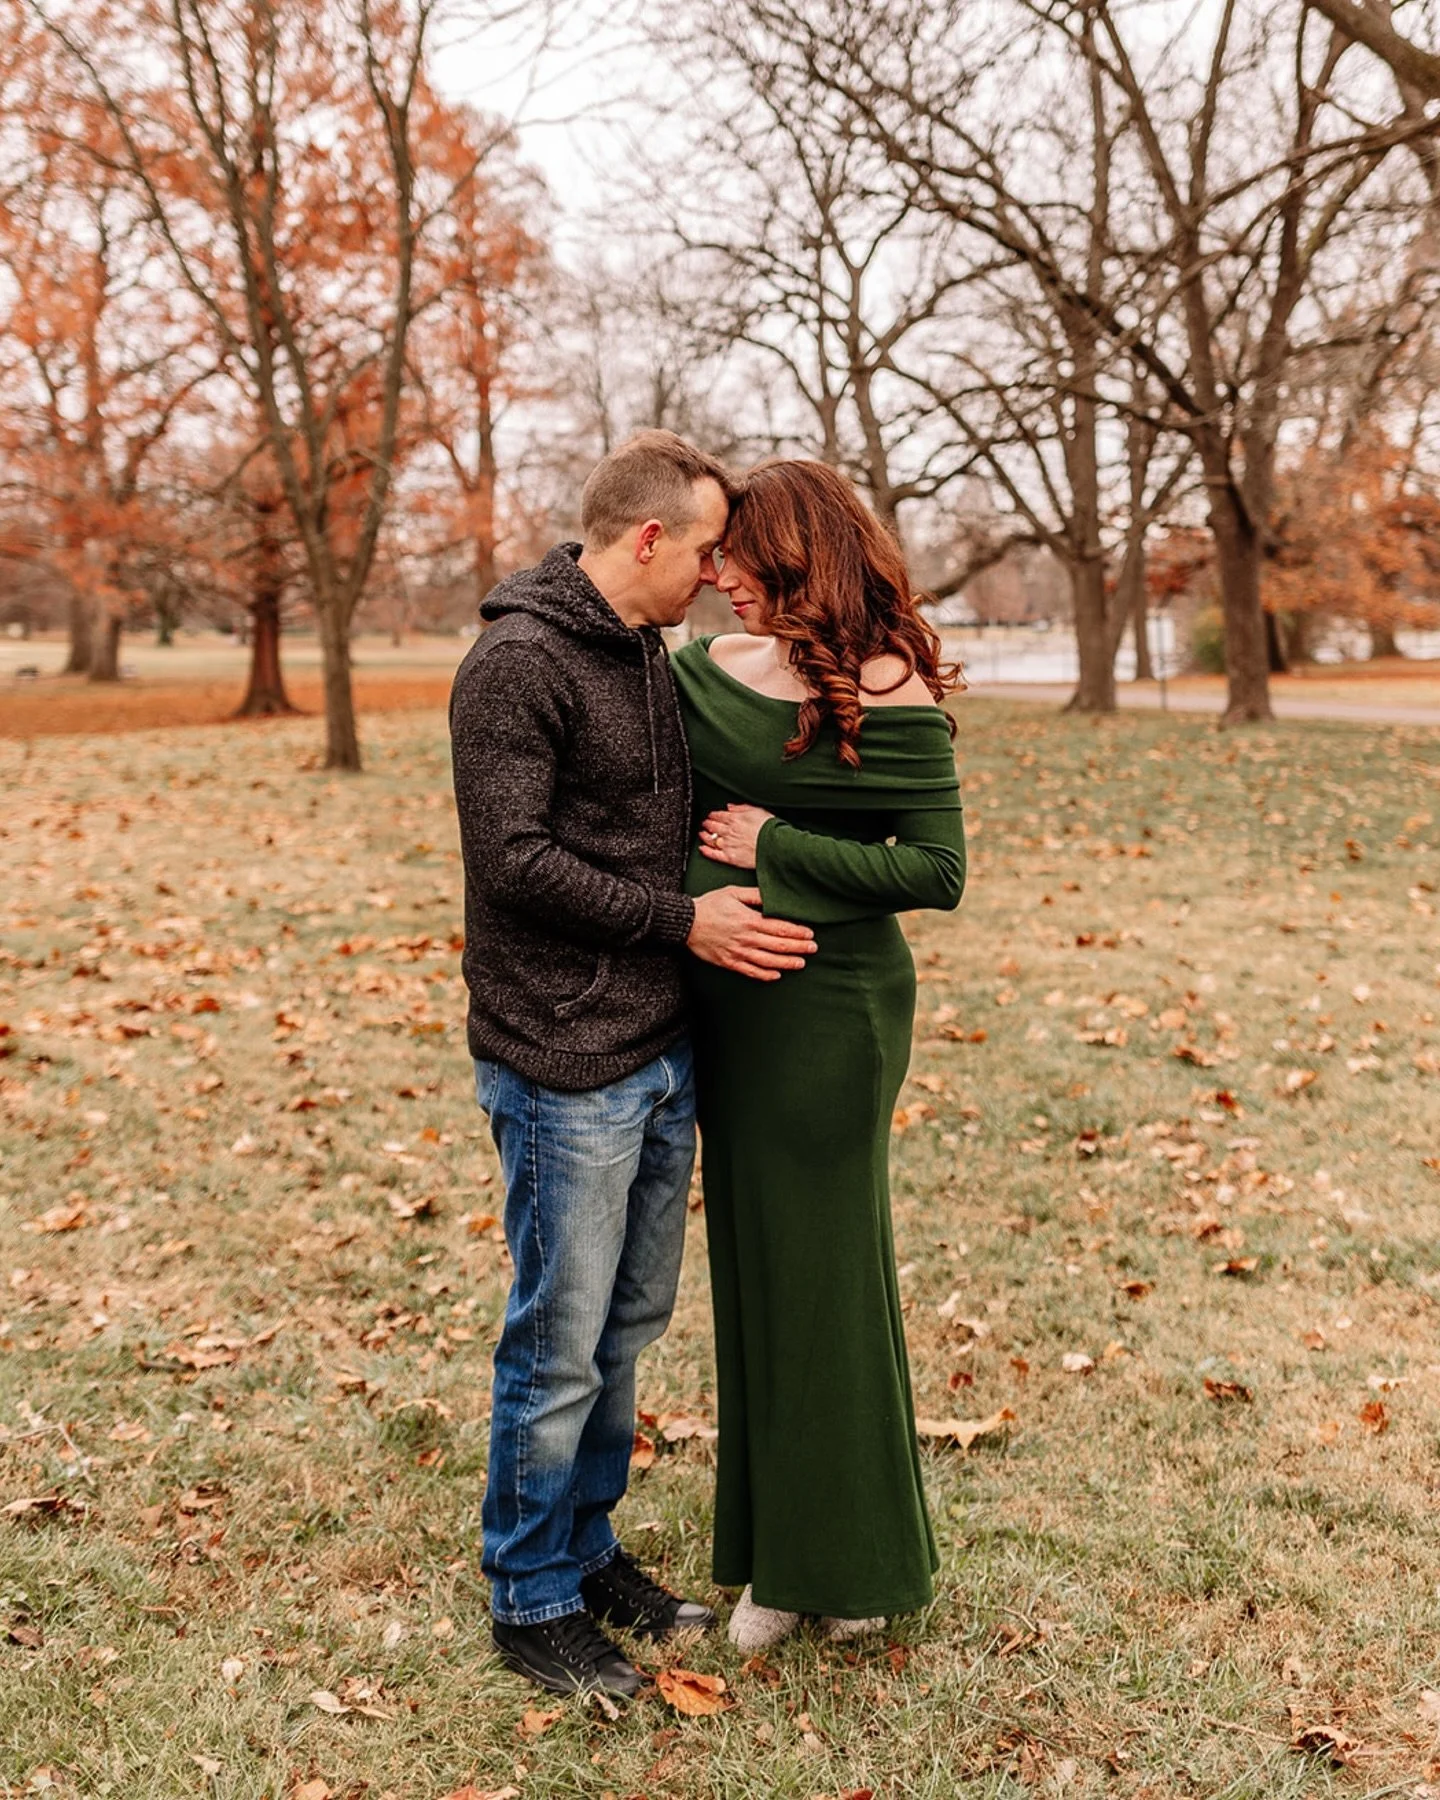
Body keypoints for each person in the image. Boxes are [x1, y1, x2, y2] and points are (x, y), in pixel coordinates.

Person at [449, 431, 817, 1699]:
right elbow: (512, 860)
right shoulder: (516, 663)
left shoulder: (648, 648)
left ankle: (588, 1547)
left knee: (625, 1327)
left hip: (659, 1053)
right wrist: (681, 922)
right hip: (562, 1058)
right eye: (707, 550)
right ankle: (530, 1595)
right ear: (648, 538)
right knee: (559, 1339)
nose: (717, 575)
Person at [669, 459, 966, 1650]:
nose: (719, 576)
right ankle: (784, 1553)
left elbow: (934, 870)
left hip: (833, 1016)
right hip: (729, 1011)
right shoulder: (701, 671)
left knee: (826, 1278)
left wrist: (775, 846)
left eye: (738, 555)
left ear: (797, 553)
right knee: (756, 1270)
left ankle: (839, 1569)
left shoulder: (887, 682)